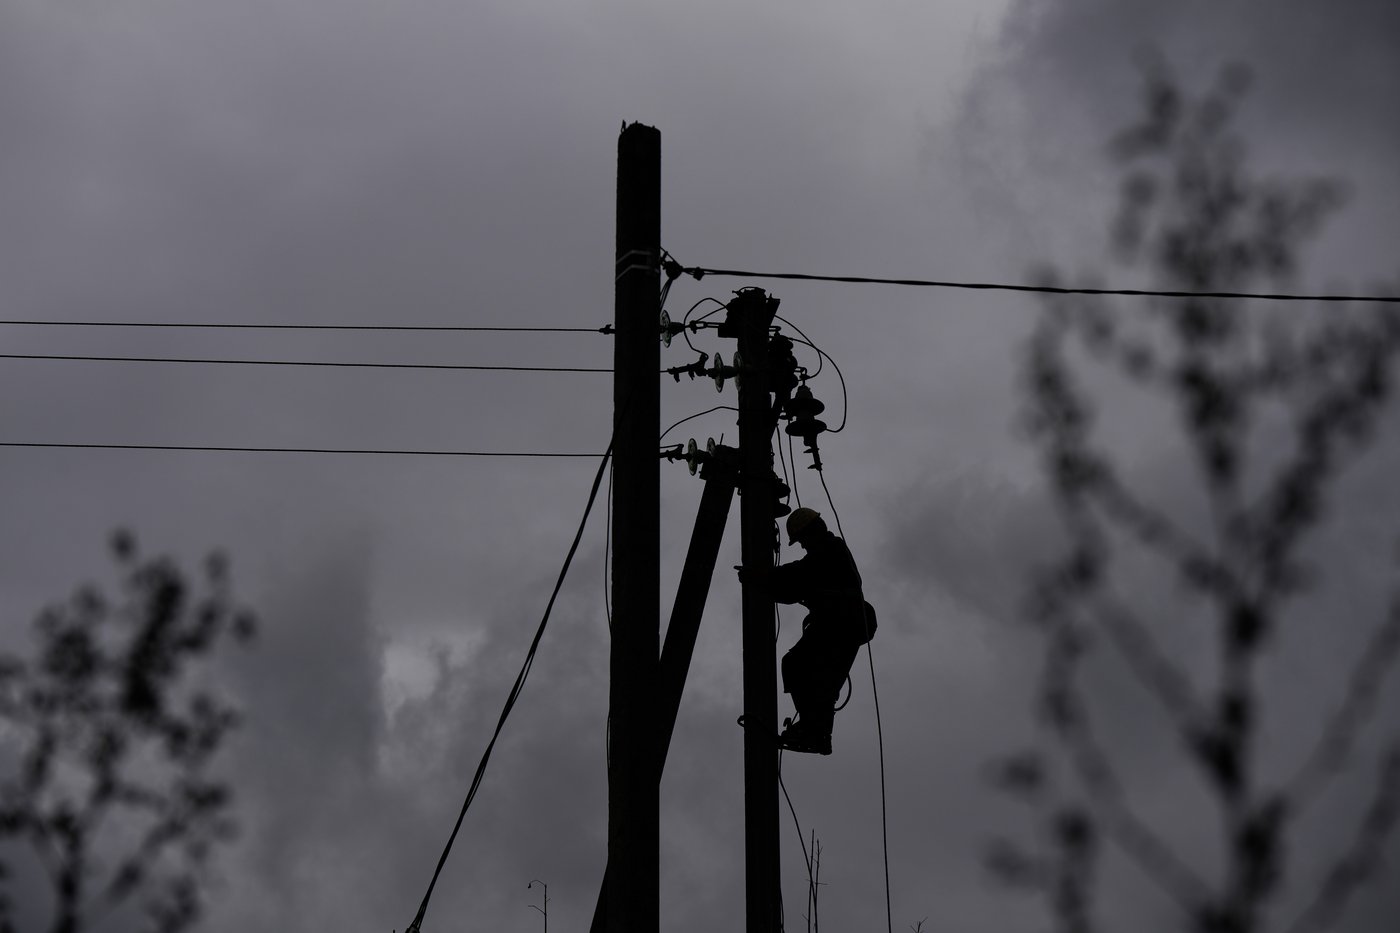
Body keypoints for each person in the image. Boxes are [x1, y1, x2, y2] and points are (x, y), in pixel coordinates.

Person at [771, 507, 875, 755]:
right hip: (847, 623)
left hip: (843, 622)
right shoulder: (828, 553)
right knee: (822, 682)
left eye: (803, 540)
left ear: (811, 532)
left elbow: (801, 574)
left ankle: (812, 731)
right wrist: (768, 585)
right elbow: (797, 587)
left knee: (796, 665)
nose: (804, 546)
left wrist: (765, 577)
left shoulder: (830, 551)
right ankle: (817, 733)